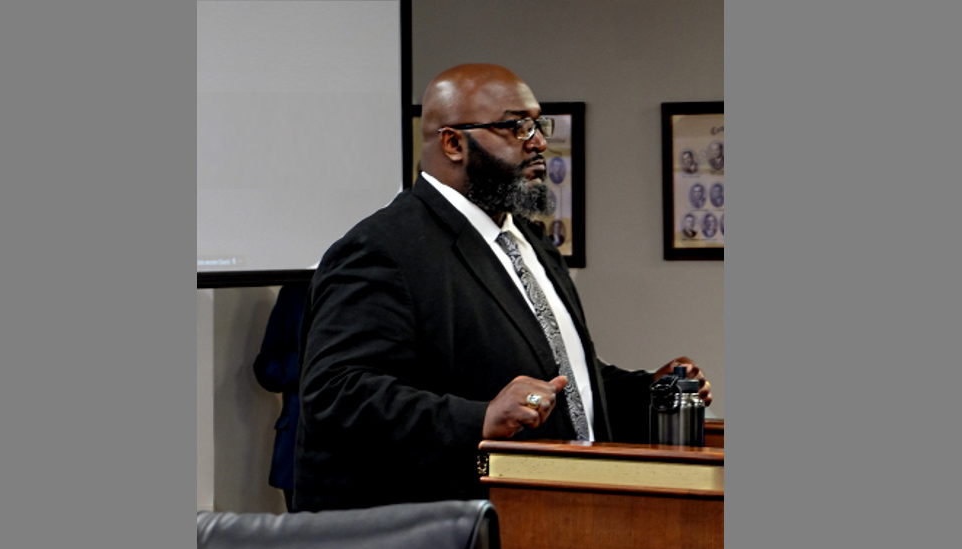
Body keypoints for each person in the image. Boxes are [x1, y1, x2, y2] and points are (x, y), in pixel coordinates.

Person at [294, 64, 712, 512]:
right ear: (454, 143)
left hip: (565, 508)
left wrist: (649, 389)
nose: (537, 142)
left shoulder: (527, 242)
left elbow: (559, 374)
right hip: (449, 531)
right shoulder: (382, 248)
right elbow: (337, 393)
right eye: (516, 127)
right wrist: (480, 419)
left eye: (537, 124)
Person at [252, 282, 310, 512]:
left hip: (359, 449)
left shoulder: (370, 286)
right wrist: (309, 366)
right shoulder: (296, 291)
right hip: (297, 445)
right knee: (303, 542)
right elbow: (266, 367)